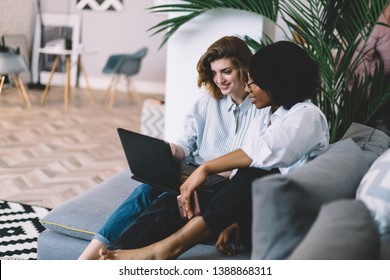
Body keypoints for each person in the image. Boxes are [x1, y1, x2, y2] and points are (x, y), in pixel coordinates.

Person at [98, 41, 330, 260]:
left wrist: (205, 169)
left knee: (255, 174)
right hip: (250, 207)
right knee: (174, 201)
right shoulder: (269, 115)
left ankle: (167, 249)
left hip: (284, 214)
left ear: (277, 83)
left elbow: (264, 155)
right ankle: (115, 257)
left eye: (255, 82)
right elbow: (241, 178)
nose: (249, 88)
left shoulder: (306, 116)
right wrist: (231, 220)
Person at [78, 36, 261, 259]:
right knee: (147, 188)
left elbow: (253, 166)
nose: (219, 79)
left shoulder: (262, 109)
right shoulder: (207, 101)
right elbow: (188, 144)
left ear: (243, 68)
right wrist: (169, 151)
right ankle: (86, 258)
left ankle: (112, 258)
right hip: (194, 172)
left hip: (224, 188)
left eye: (226, 71)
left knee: (167, 201)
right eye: (214, 73)